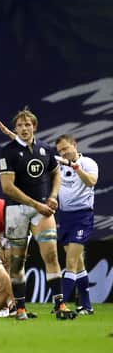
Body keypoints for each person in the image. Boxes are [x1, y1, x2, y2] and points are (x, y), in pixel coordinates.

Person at [0, 108, 75, 320]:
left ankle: (60, 304)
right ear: (15, 128)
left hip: (43, 209)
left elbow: (56, 172)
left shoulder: (46, 149)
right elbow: (7, 187)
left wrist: (53, 196)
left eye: (28, 125)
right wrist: (36, 204)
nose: (24, 129)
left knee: (50, 255)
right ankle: (20, 308)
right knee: (17, 261)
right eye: (20, 125)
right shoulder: (8, 151)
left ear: (34, 127)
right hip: (16, 210)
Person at [54, 134, 98, 315]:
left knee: (70, 262)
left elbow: (91, 182)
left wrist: (75, 167)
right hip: (64, 217)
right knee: (78, 263)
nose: (63, 153)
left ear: (74, 145)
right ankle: (87, 306)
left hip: (82, 216)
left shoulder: (88, 163)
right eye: (60, 151)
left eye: (65, 148)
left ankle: (60, 305)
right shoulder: (58, 164)